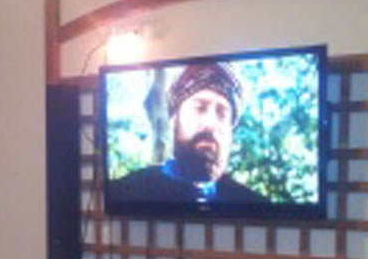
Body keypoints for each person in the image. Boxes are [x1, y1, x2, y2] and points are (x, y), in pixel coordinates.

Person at [110, 62, 265, 203]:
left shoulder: (253, 205)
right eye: (199, 108)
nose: (210, 122)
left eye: (222, 113)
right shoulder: (125, 193)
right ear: (174, 119)